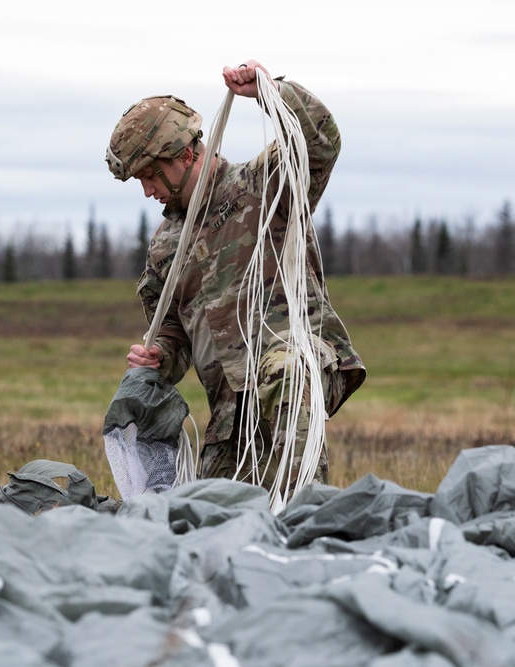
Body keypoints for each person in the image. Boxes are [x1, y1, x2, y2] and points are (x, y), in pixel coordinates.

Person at [105, 60, 365, 491]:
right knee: (212, 518)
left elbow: (321, 145)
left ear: (186, 154)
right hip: (231, 414)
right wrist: (160, 357)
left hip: (296, 372)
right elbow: (173, 333)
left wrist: (271, 93)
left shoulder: (264, 186)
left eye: (151, 175)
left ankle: (304, 517)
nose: (148, 191)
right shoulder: (165, 247)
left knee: (282, 373)